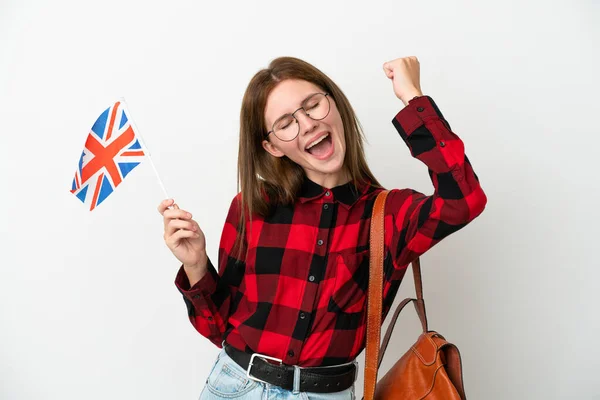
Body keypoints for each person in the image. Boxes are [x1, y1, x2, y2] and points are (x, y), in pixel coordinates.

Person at [157, 56, 487, 400]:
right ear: (272, 147)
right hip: (235, 387)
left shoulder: (390, 215)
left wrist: (412, 98)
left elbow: (465, 201)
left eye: (313, 105)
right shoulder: (252, 206)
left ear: (335, 105)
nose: (307, 124)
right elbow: (219, 327)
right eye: (286, 123)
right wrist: (195, 265)